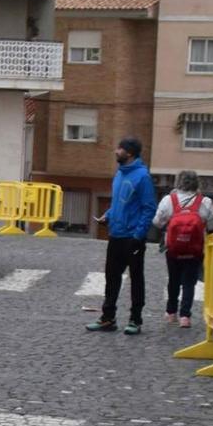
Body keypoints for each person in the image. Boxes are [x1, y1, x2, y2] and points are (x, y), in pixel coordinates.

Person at [86, 137, 153, 335]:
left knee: (136, 279)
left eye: (120, 148)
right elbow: (118, 203)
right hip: (115, 234)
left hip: (132, 237)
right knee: (111, 278)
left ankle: (135, 319)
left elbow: (149, 208)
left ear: (130, 153)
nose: (116, 151)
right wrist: (108, 216)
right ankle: (108, 318)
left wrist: (138, 235)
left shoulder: (143, 177)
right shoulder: (119, 174)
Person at [151, 169, 213, 329]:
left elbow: (157, 222)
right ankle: (185, 316)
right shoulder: (205, 201)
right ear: (197, 183)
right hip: (195, 249)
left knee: (173, 280)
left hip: (173, 248)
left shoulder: (169, 200)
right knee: (189, 282)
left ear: (178, 182)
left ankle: (171, 312)